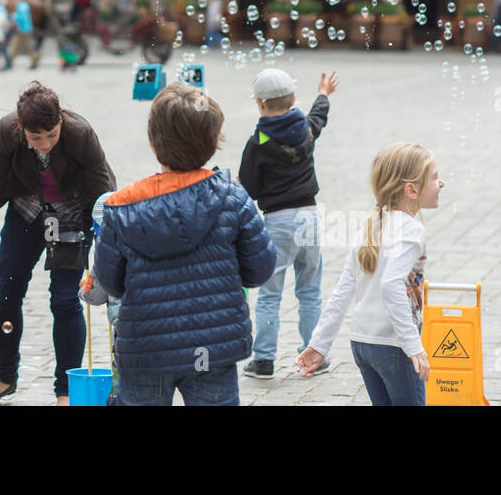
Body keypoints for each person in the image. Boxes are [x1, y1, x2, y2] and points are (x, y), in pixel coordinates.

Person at [90, 83, 276, 406]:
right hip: (212, 349)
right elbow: (260, 268)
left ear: (152, 143)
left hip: (144, 351)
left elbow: (109, 282)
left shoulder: (120, 208)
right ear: (214, 144)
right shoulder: (232, 197)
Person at [0, 82, 116, 405]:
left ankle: (65, 390)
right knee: (6, 293)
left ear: (61, 121)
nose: (45, 144)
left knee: (64, 301)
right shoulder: (7, 131)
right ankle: (4, 377)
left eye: (51, 135)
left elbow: (101, 190)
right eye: (36, 138)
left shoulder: (79, 133)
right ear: (22, 128)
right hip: (26, 212)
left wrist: (108, 237)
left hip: (70, 215)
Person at [297, 142, 444, 406]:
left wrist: (320, 343)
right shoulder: (410, 230)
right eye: (434, 178)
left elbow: (342, 292)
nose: (441, 183)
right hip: (394, 347)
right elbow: (391, 285)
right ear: (411, 190)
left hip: (363, 344)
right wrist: (413, 346)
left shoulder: (370, 226)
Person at [239, 67, 338, 379]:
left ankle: (264, 360)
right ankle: (314, 355)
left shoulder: (258, 141)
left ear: (259, 103)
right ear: (294, 98)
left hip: (278, 222)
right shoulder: (305, 130)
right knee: (309, 290)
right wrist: (323, 94)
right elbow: (318, 116)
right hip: (309, 217)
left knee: (270, 293)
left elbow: (250, 190)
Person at [10, 0, 38, 69]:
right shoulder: (26, 5)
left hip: (21, 28)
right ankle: (34, 60)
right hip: (27, 27)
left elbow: (21, 17)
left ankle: (10, 60)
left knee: (17, 45)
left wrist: (15, 19)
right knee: (27, 46)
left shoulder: (20, 5)